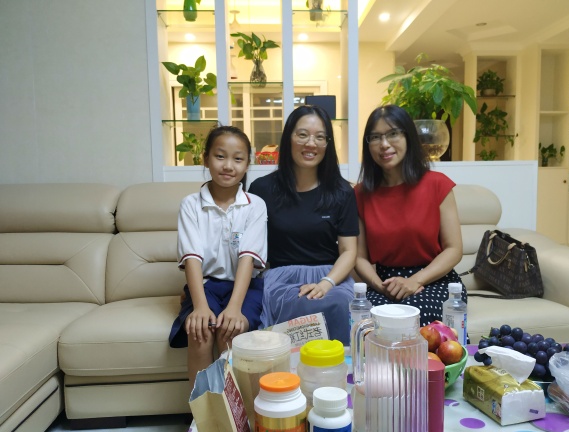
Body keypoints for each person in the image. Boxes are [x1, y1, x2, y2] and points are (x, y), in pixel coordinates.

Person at [249, 105, 358, 345]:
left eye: (320, 137)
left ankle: (340, 367)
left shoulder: (342, 192)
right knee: (297, 302)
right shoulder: (261, 189)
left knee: (340, 303)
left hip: (331, 277)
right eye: (302, 135)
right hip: (281, 278)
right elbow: (248, 248)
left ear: (327, 144)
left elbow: (349, 251)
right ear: (288, 138)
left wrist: (326, 283)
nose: (311, 143)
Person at [168, 125, 268, 387]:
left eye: (238, 159)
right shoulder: (191, 204)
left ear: (247, 164)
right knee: (200, 332)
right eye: (220, 156)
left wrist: (234, 308)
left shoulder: (255, 205)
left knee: (231, 331)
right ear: (206, 159)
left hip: (245, 287)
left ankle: (236, 410)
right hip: (206, 286)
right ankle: (202, 409)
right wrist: (200, 307)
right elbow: (192, 258)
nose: (228, 166)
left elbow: (248, 258)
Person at [354, 105, 465, 326]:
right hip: (385, 283)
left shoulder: (437, 184)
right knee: (368, 322)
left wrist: (415, 280)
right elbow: (359, 257)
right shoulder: (360, 194)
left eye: (393, 134)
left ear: (408, 137)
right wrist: (378, 285)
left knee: (414, 316)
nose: (384, 144)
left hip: (433, 279)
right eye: (375, 137)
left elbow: (454, 249)